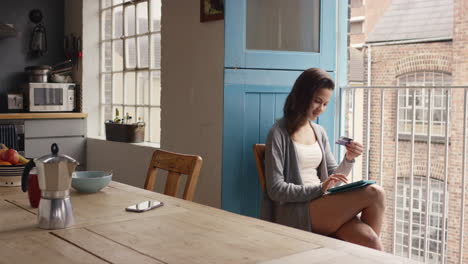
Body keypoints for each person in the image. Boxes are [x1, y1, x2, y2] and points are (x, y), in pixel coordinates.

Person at [262, 68, 385, 250]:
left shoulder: (319, 132)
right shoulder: (278, 133)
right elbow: (275, 189)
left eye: (325, 104)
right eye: (317, 101)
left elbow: (334, 179)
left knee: (371, 241)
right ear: (302, 96)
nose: (321, 109)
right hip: (297, 210)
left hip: (323, 204)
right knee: (375, 193)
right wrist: (319, 189)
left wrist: (349, 159)